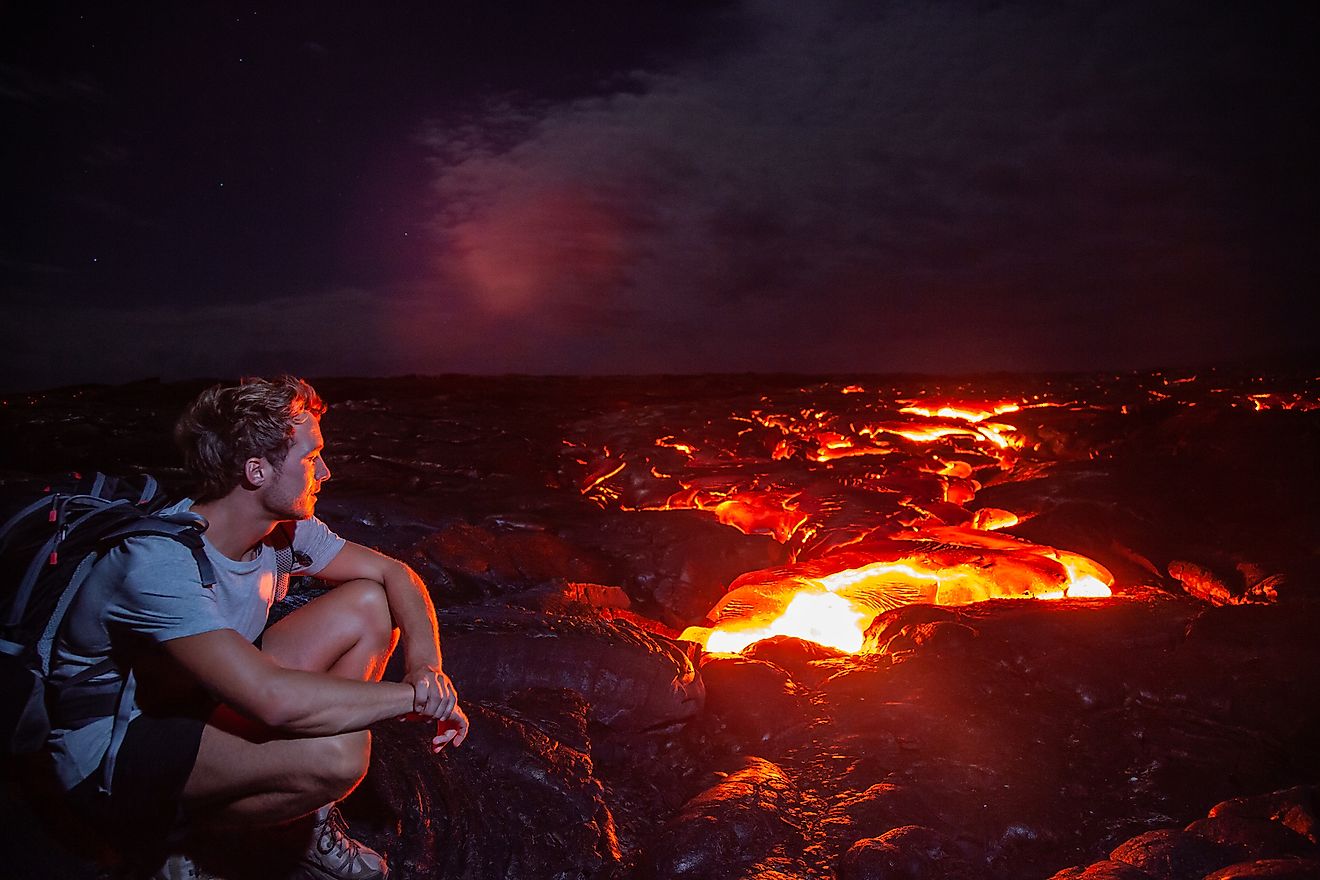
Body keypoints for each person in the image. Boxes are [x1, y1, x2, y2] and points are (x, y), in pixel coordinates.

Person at [45, 376, 467, 880]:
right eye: (311, 459)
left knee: (369, 605)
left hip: (199, 692)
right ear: (256, 470)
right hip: (115, 748)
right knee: (340, 754)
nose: (325, 473)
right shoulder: (157, 564)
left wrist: (427, 670)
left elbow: (395, 574)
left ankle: (302, 817)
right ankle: (178, 843)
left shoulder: (283, 530)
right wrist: (416, 701)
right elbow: (270, 698)